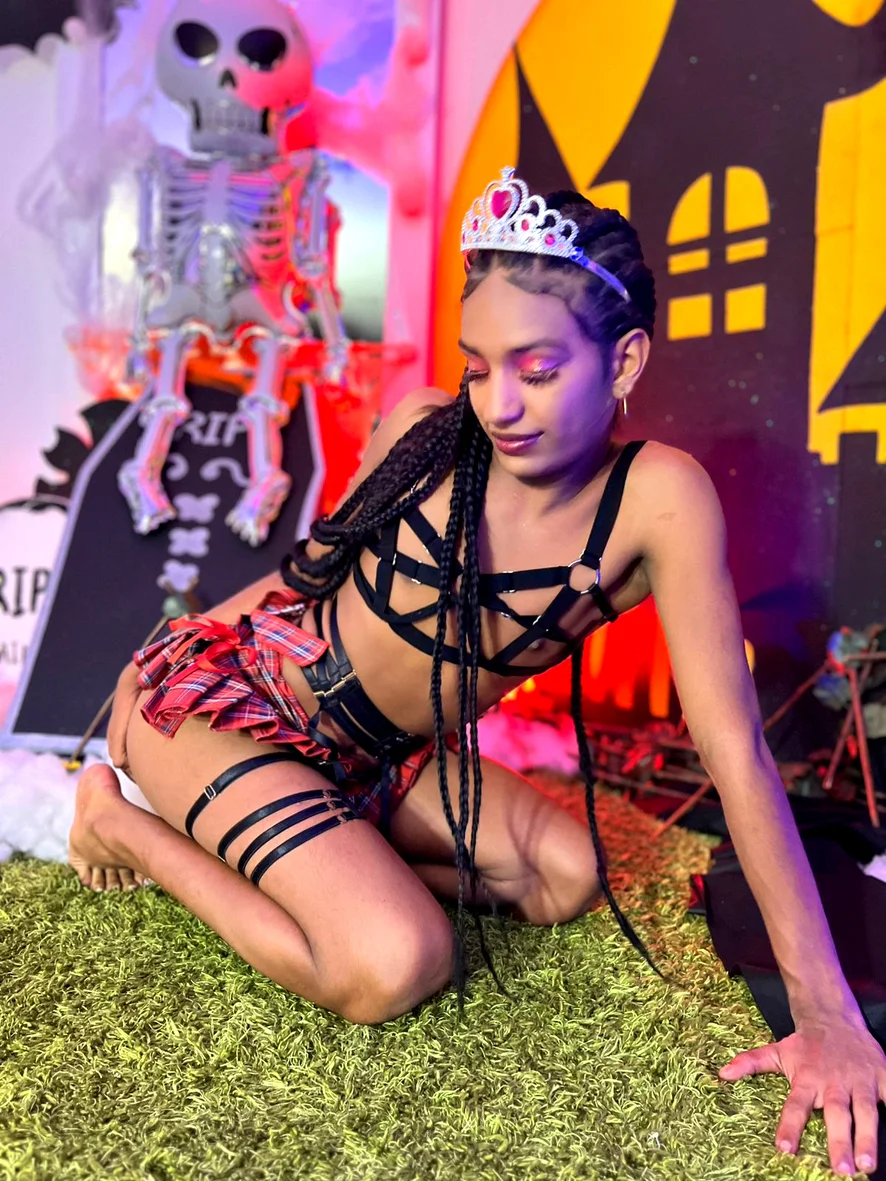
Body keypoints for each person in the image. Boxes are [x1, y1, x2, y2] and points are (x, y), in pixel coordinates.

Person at [69, 168, 885, 1176]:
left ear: (624, 358)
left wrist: (825, 1011)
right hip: (231, 705)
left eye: (537, 370)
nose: (499, 404)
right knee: (393, 959)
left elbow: (735, 753)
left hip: (378, 761)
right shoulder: (425, 429)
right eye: (478, 366)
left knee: (565, 874)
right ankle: (124, 825)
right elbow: (299, 579)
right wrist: (163, 667)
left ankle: (315, 843)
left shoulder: (659, 499)